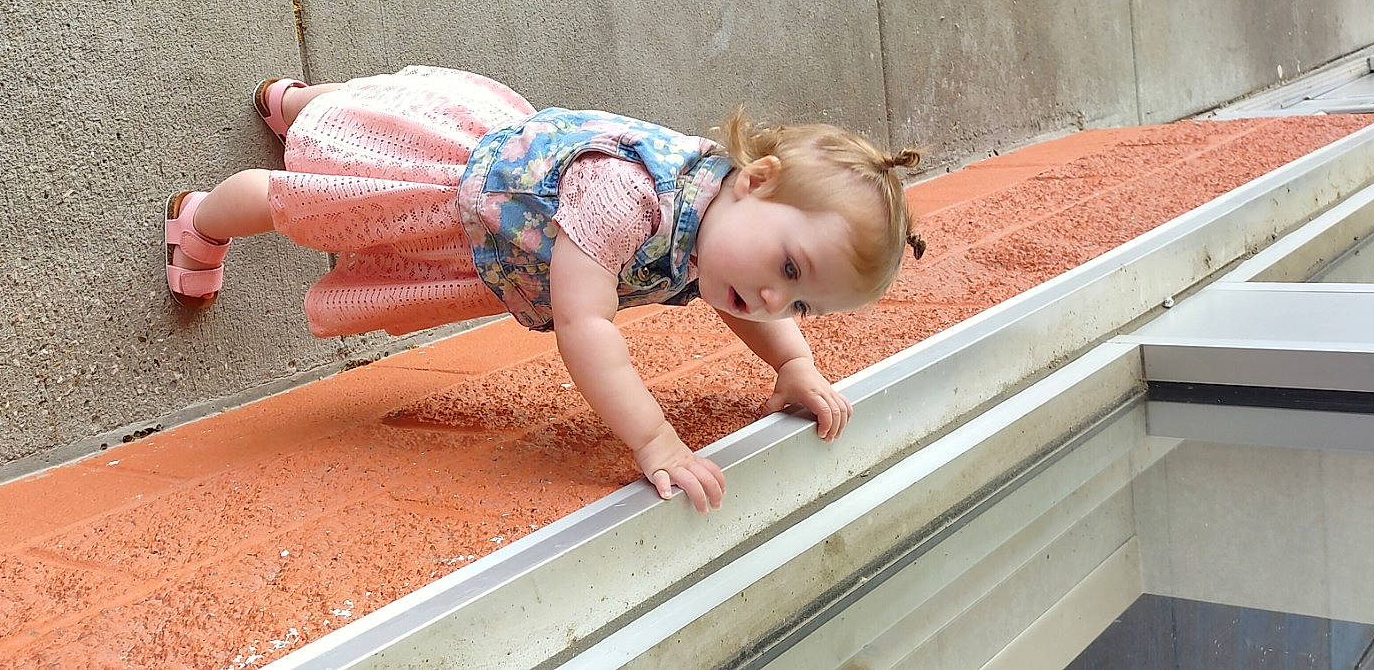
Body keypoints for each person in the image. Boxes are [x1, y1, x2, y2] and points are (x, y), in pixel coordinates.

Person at [164, 66, 925, 513]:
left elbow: (746, 308)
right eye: (789, 270)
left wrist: (792, 365)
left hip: (508, 227)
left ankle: (296, 101)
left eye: (801, 304)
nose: (769, 301)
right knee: (309, 193)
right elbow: (583, 323)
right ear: (755, 181)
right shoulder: (631, 200)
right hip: (459, 191)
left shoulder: (728, 236)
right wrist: (654, 438)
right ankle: (203, 217)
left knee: (362, 122)